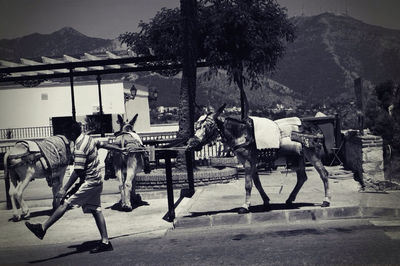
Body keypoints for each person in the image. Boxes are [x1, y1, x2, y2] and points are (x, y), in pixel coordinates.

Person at [25, 121, 127, 253]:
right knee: (96, 210)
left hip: (89, 182)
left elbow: (77, 171)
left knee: (65, 203)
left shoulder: (79, 147)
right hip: (97, 181)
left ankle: (42, 228)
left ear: (72, 133)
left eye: (67, 134)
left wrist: (64, 189)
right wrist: (120, 149)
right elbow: (104, 144)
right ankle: (105, 241)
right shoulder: (88, 138)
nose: (66, 137)